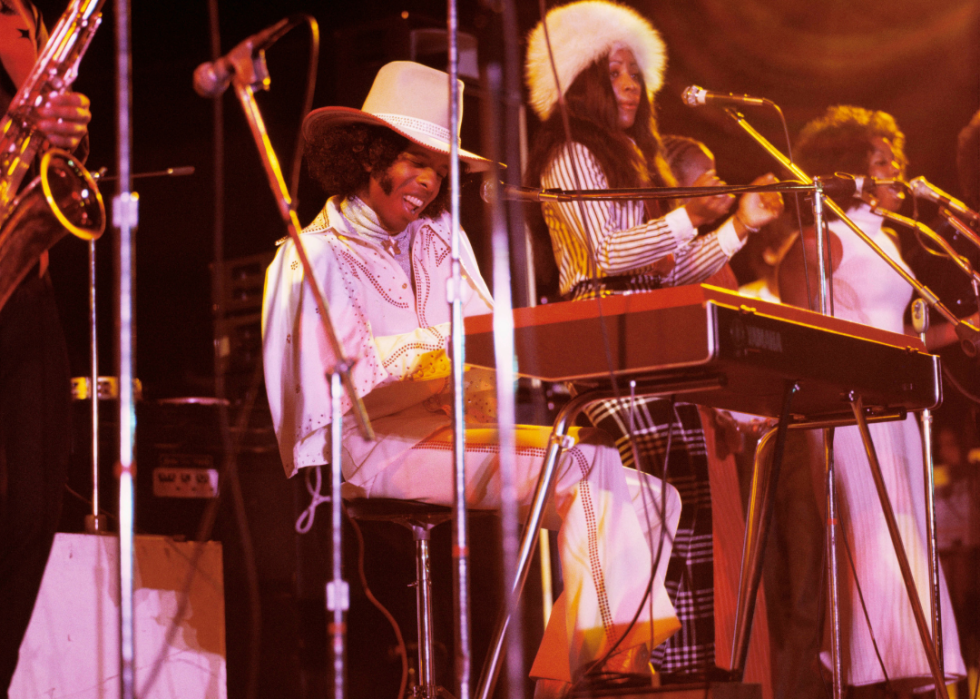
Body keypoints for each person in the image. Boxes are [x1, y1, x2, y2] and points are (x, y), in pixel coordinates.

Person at [262, 60, 685, 699]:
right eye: (414, 161)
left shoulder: (442, 236)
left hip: (449, 428)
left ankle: (563, 680)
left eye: (438, 168)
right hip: (372, 447)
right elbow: (347, 386)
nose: (428, 182)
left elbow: (487, 340)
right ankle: (612, 672)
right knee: (589, 464)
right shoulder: (314, 254)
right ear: (365, 155)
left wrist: (522, 354)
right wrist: (447, 352)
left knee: (655, 497)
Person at [523, 0, 783, 679]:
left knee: (684, 491)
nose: (630, 85)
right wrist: (686, 216)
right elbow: (605, 253)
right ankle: (618, 664)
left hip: (653, 341)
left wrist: (739, 227)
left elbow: (668, 270)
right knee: (657, 482)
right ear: (582, 81)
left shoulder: (634, 158)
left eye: (635, 72)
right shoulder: (570, 155)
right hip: (603, 343)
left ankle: (678, 669)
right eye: (614, 72)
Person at [777, 105, 969, 694]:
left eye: (894, 160)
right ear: (848, 169)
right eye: (881, 162)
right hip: (849, 409)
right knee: (872, 534)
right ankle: (874, 670)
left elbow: (895, 334)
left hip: (898, 406)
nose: (895, 173)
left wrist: (959, 332)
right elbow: (807, 340)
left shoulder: (887, 237)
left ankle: (910, 668)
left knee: (909, 532)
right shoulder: (822, 239)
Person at [0, 1, 93, 695]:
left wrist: (65, 132)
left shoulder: (31, 13)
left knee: (32, 512)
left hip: (25, 286)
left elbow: (49, 160)